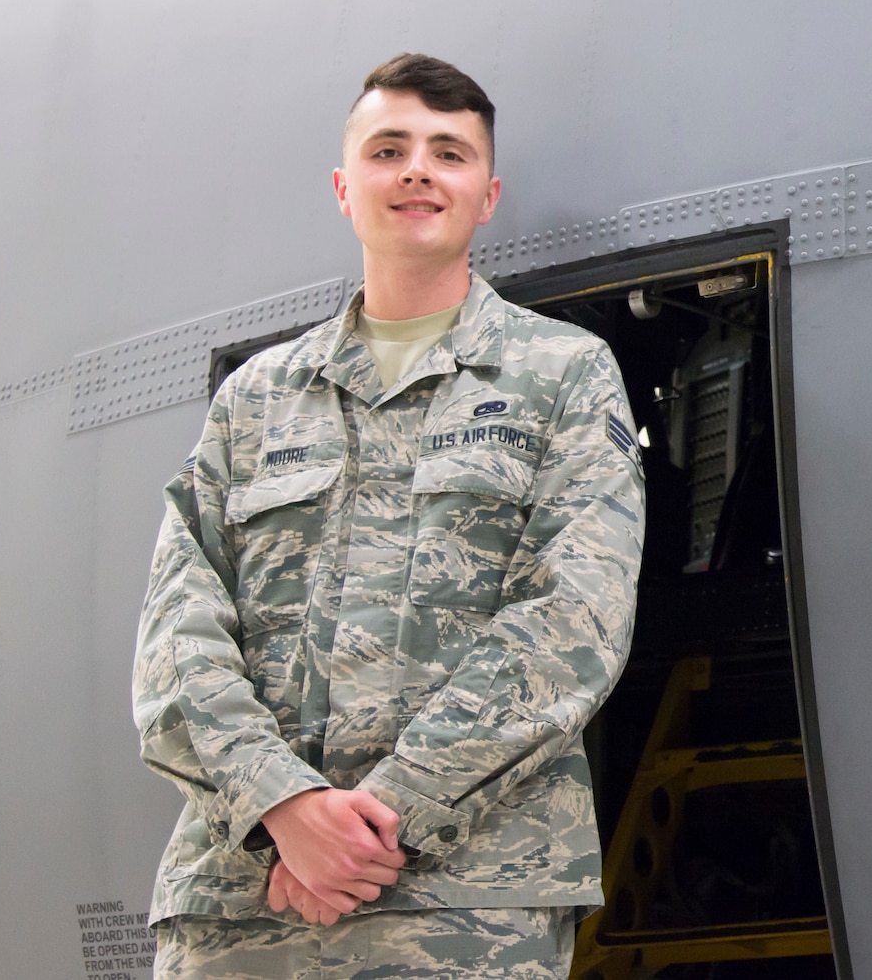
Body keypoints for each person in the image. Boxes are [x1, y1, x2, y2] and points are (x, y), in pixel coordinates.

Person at [133, 54, 645, 978]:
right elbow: (179, 628)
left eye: (449, 152)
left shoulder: (563, 373)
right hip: (244, 900)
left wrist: (378, 821)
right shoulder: (256, 401)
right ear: (344, 186)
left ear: (487, 195)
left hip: (464, 903)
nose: (417, 169)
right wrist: (283, 808)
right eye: (389, 148)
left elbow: (575, 618)